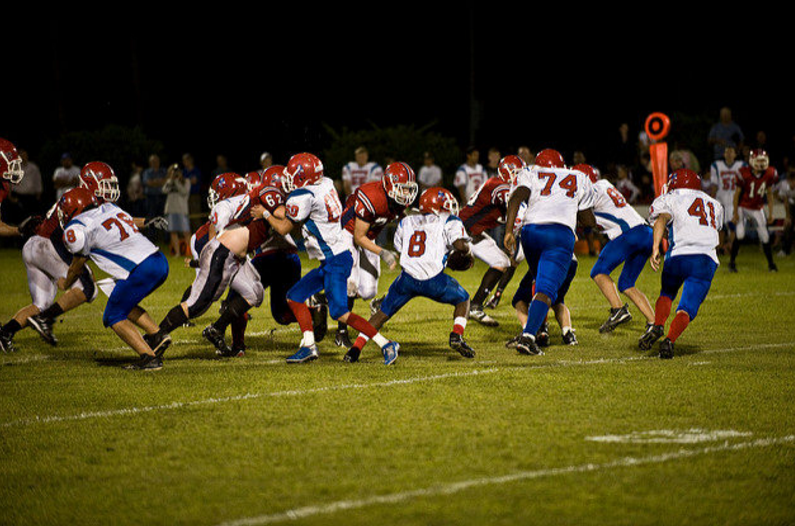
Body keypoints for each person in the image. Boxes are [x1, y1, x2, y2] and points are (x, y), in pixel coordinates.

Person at [257, 152, 398, 363]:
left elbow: (285, 227)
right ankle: (309, 345)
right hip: (335, 255)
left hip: (335, 259)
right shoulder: (326, 183)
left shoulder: (304, 195)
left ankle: (385, 343)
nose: (289, 178)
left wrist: (265, 214)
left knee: (340, 312)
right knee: (294, 295)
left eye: (294, 174)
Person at [346, 187, 475, 364]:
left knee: (382, 312)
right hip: (433, 279)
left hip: (407, 278)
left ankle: (355, 349)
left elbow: (400, 246)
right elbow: (460, 246)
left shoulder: (406, 221)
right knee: (463, 299)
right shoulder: (449, 220)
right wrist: (467, 253)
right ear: (439, 206)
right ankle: (457, 335)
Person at [59, 187, 170, 370]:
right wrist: (147, 221)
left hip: (140, 268)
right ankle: (157, 335)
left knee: (113, 315)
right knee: (119, 298)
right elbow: (129, 222)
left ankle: (149, 358)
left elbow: (78, 263)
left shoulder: (78, 227)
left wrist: (67, 282)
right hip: (159, 261)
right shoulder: (109, 209)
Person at [503, 148, 596, 356]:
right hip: (559, 234)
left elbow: (516, 198)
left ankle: (539, 329)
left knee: (539, 283)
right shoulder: (578, 176)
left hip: (531, 233)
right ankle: (529, 337)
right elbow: (589, 220)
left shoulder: (530, 172)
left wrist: (509, 231)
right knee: (546, 290)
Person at [639, 169, 722, 359]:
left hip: (679, 256)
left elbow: (661, 220)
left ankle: (658, 325)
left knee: (667, 292)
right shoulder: (715, 204)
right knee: (687, 307)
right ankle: (669, 341)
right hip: (705, 260)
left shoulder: (671, 198)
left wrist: (655, 248)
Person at [333, 162, 416, 349]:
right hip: (348, 232)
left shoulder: (397, 200)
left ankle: (326, 297)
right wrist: (383, 252)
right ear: (389, 184)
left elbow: (406, 216)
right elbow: (358, 236)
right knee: (350, 284)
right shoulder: (371, 196)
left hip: (369, 236)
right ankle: (341, 332)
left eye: (408, 189)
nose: (406, 194)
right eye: (402, 189)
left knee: (368, 291)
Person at [579, 164, 655, 334]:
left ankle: (618, 309)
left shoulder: (588, 191)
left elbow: (588, 222)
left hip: (629, 234)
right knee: (626, 284)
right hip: (645, 232)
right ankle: (654, 323)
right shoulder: (604, 184)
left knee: (598, 271)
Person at [459, 155, 525, 327]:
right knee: (427, 268)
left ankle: (475, 306)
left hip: (472, 230)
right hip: (462, 230)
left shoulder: (504, 186)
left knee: (501, 261)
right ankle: (383, 303)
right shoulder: (499, 186)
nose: (520, 177)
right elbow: (512, 202)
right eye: (517, 173)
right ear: (507, 172)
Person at [728, 149, 779, 272]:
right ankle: (732, 263)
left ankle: (771, 264)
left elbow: (770, 194)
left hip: (757, 208)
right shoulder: (743, 173)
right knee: (740, 234)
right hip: (743, 206)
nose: (761, 164)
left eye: (763, 161)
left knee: (765, 236)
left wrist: (771, 213)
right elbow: (736, 195)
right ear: (752, 161)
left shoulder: (770, 173)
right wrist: (735, 213)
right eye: (758, 161)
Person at [708, 146, 745, 253]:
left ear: (735, 154)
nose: (729, 154)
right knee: (720, 225)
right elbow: (714, 185)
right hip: (721, 198)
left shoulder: (741, 166)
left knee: (733, 224)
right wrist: (712, 199)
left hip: (734, 198)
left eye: (731, 152)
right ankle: (720, 247)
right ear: (723, 154)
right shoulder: (716, 165)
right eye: (727, 152)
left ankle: (731, 246)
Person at [163, 163, 192, 256]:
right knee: (173, 232)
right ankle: (177, 253)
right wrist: (171, 180)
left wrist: (177, 181)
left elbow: (184, 192)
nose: (175, 174)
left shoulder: (186, 181)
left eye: (177, 172)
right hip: (171, 210)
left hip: (182, 210)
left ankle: (190, 252)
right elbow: (164, 190)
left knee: (186, 232)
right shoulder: (169, 182)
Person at [12, 149, 43, 214]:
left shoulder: (33, 167)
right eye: (21, 155)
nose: (23, 156)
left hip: (31, 196)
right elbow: (10, 183)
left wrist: (38, 194)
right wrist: (10, 197)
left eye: (24, 154)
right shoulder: (15, 168)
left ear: (27, 155)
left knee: (31, 216)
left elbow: (38, 180)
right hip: (18, 196)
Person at [142, 154, 167, 227]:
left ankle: (164, 237)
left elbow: (166, 182)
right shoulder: (147, 172)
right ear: (150, 163)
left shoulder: (163, 171)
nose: (155, 163)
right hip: (151, 198)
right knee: (151, 217)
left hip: (162, 197)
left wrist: (154, 182)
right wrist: (159, 182)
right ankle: (151, 236)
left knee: (163, 217)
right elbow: (148, 183)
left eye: (156, 161)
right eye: (153, 161)